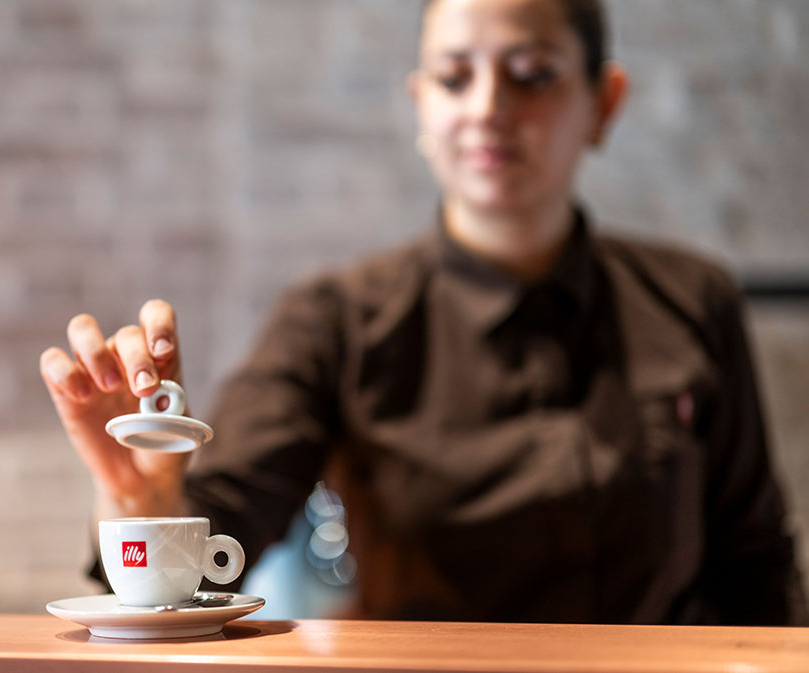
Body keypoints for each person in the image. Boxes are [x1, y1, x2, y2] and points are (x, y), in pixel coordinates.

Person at [39, 0, 808, 625]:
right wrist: (144, 501)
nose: (488, 108)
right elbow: (218, 539)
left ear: (603, 103)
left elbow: (756, 568)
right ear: (420, 105)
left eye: (532, 75)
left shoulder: (693, 301)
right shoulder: (337, 321)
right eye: (453, 77)